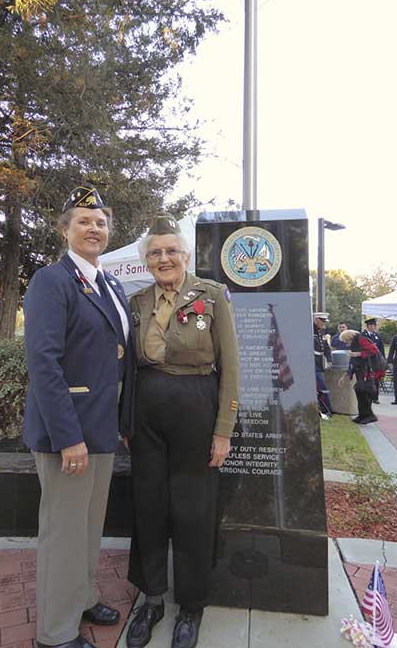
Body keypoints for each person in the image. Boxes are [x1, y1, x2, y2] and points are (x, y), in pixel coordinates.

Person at [23, 186, 136, 648]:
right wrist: (68, 437)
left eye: (102, 221)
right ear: (65, 229)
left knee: (89, 526)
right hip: (67, 432)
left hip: (103, 428)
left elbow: (121, 360)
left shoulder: (110, 284)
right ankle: (54, 632)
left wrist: (123, 424)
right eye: (85, 220)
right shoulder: (52, 280)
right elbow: (43, 363)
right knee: (64, 532)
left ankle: (83, 596)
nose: (94, 228)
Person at [125, 213, 239, 648]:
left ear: (186, 255)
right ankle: (152, 599)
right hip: (147, 411)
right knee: (148, 504)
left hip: (197, 405)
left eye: (171, 250)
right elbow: (127, 366)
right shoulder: (137, 303)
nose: (164, 258)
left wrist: (223, 429)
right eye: (155, 253)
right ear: (147, 262)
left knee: (193, 509)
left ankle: (191, 604)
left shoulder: (211, 296)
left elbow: (230, 366)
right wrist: (126, 420)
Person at [339, 329, 385, 424]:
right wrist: (345, 375)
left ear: (349, 338)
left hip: (370, 371)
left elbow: (374, 350)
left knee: (364, 392)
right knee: (359, 390)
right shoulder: (354, 344)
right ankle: (362, 415)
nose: (345, 343)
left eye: (345, 341)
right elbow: (353, 362)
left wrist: (359, 354)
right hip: (363, 372)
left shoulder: (361, 340)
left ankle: (370, 415)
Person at [362, 317, 385, 404]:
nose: (374, 327)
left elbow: (381, 349)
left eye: (374, 325)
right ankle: (367, 397)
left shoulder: (377, 336)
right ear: (368, 326)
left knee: (375, 380)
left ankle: (375, 397)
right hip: (366, 361)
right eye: (372, 325)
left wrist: (382, 361)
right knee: (367, 379)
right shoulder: (363, 335)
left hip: (375, 361)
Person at [313, 312, 333, 415]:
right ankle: (326, 409)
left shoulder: (321, 332)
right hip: (312, 363)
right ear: (316, 320)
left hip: (319, 363)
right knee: (321, 386)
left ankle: (326, 409)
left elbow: (326, 347)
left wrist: (329, 359)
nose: (323, 324)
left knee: (321, 387)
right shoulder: (309, 330)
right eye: (322, 321)